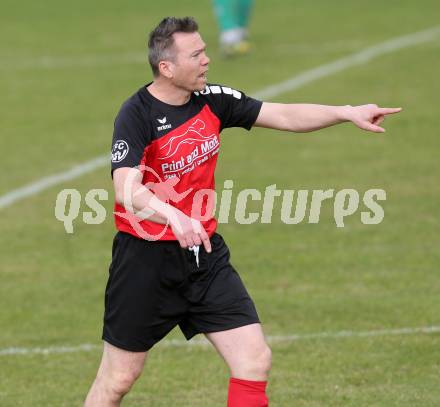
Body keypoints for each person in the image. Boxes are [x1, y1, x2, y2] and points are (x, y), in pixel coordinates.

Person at [84, 16, 401, 407]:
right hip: (145, 262)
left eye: (204, 51)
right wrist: (174, 215)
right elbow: (125, 189)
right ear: (166, 67)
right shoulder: (137, 114)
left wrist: (345, 112)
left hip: (204, 256)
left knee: (253, 359)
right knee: (118, 380)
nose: (206, 60)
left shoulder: (213, 99)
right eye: (196, 54)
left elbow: (281, 114)